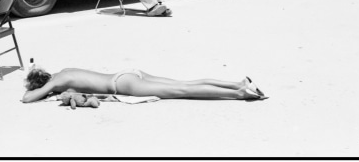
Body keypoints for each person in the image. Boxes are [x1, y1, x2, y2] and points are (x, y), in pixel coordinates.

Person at [21, 67, 267, 103]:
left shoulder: (57, 82)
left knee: (182, 91)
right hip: (127, 73)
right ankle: (237, 83)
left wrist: (34, 91)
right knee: (185, 83)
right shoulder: (64, 72)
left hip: (123, 86)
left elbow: (27, 99)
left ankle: (238, 93)